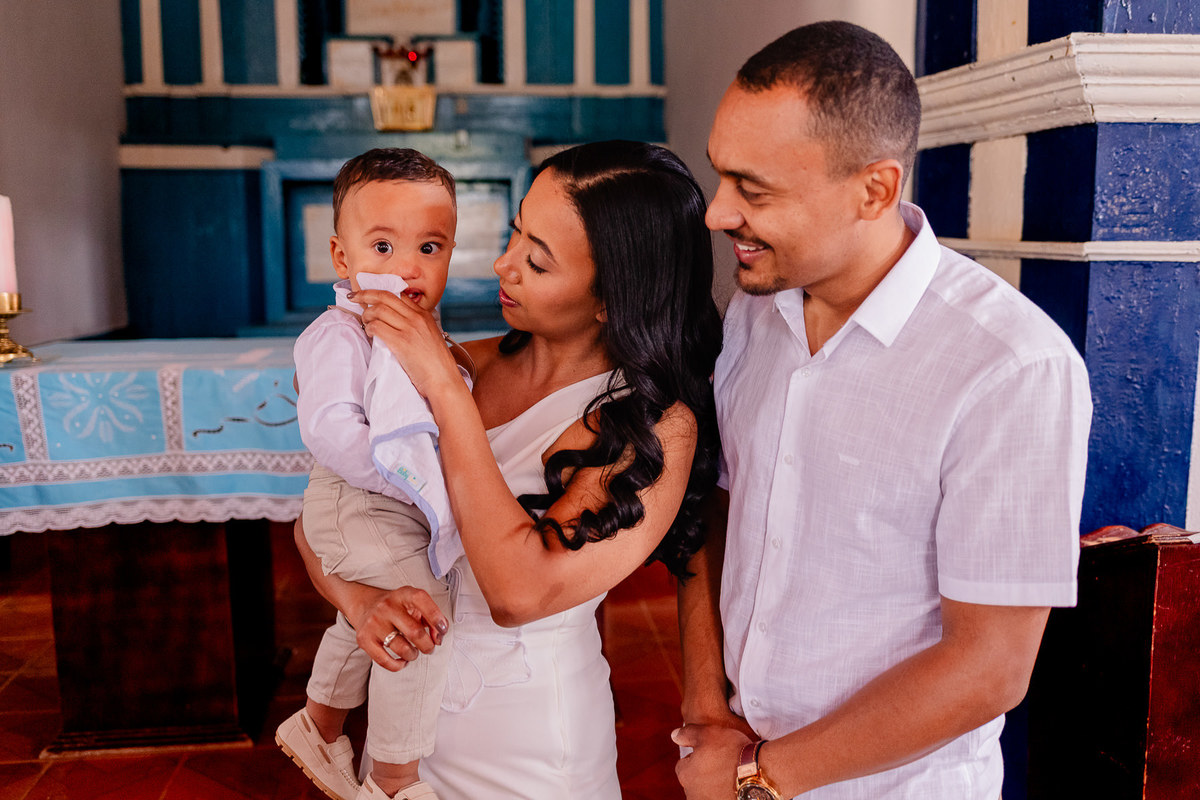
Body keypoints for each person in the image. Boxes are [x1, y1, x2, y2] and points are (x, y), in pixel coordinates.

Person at [673, 21, 1093, 800]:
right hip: (733, 758)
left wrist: (761, 778)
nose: (717, 213)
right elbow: (717, 509)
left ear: (876, 188)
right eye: (721, 176)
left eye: (753, 190)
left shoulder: (1009, 367)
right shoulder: (755, 313)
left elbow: (990, 666)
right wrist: (707, 709)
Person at [293, 140, 724, 798]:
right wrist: (363, 602)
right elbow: (322, 519)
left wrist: (445, 395)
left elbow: (517, 593)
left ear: (614, 296)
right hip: (400, 735)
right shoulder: (463, 360)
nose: (502, 264)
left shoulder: (654, 428)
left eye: (537, 260)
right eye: (516, 231)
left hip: (526, 750)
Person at [277, 147, 468, 800]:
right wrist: (411, 484)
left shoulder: (427, 338)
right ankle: (392, 781)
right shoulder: (341, 334)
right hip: (356, 495)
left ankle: (320, 723)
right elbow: (330, 430)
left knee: (370, 613)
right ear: (341, 257)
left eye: (430, 247)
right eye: (382, 246)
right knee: (421, 615)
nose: (407, 267)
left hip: (383, 502)